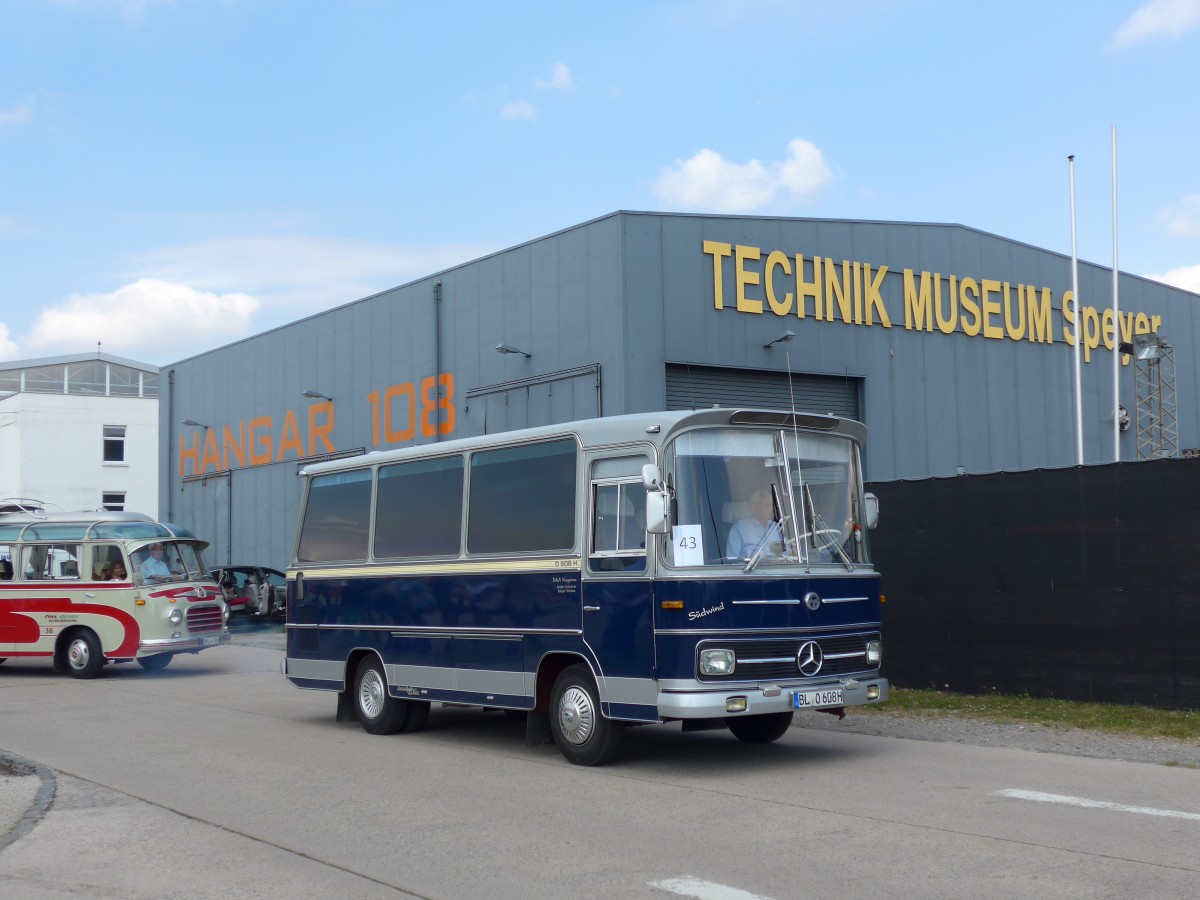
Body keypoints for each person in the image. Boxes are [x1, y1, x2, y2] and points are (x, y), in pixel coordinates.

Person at [725, 489, 784, 560]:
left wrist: (792, 552)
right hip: (753, 567)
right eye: (766, 505)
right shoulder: (739, 529)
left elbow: (786, 552)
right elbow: (732, 561)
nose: (770, 509)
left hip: (779, 566)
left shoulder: (775, 526)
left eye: (771, 505)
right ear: (753, 507)